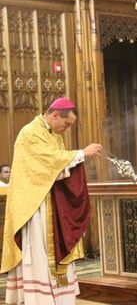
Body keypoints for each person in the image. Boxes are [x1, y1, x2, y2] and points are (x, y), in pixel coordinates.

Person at [0, 97, 103, 305]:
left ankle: (57, 298)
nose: (66, 129)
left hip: (50, 201)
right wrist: (82, 153)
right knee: (40, 254)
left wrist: (77, 158)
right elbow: (50, 163)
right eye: (66, 124)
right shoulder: (31, 133)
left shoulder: (53, 134)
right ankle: (40, 299)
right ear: (55, 115)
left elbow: (58, 166)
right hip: (34, 207)